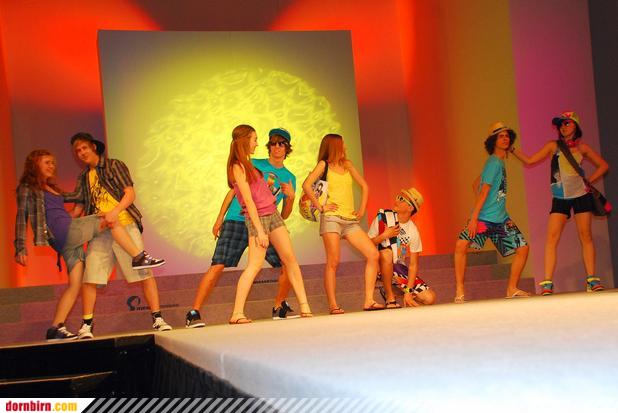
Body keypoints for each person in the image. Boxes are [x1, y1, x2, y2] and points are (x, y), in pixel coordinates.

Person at [13, 149, 163, 341]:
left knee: (75, 284)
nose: (52, 166)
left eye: (53, 163)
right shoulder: (27, 188)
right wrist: (20, 247)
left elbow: (76, 197)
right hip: (64, 232)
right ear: (34, 164)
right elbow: (21, 217)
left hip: (68, 240)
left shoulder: (52, 187)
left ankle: (55, 328)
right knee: (110, 218)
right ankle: (139, 256)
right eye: (47, 162)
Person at [185, 127, 300, 327]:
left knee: (288, 263)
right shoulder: (252, 163)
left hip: (264, 223)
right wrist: (219, 218)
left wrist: (291, 197)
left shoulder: (290, 177)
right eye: (273, 143)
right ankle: (194, 312)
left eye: (281, 143)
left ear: (287, 148)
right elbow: (233, 193)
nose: (277, 147)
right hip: (237, 219)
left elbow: (284, 213)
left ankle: (278, 305)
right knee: (218, 265)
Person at [64, 132, 170, 339]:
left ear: (94, 147)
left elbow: (129, 193)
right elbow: (78, 208)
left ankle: (158, 318)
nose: (81, 153)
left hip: (124, 223)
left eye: (84, 148)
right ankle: (87, 325)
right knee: (91, 276)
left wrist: (115, 211)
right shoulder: (83, 177)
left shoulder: (113, 165)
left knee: (144, 272)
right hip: (100, 230)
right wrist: (58, 222)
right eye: (77, 151)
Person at [510, 112, 609, 294]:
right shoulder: (553, 146)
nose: (563, 127)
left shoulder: (583, 148)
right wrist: (512, 149)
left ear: (575, 126)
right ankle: (547, 282)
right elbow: (530, 160)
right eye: (561, 124)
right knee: (552, 238)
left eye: (567, 123)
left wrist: (589, 182)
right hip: (560, 198)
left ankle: (592, 280)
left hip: (581, 196)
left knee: (586, 236)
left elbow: (604, 166)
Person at [226, 124, 312, 324]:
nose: (257, 143)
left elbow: (270, 200)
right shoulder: (238, 166)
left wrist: (290, 197)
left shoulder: (248, 164)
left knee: (290, 259)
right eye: (255, 139)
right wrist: (259, 230)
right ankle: (237, 313)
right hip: (258, 218)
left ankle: (305, 306)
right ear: (245, 140)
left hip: (273, 214)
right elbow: (248, 201)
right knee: (255, 265)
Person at [302, 133, 383, 314]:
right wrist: (321, 206)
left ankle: (369, 300)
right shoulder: (323, 165)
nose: (345, 146)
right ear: (334, 146)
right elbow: (306, 185)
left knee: (373, 254)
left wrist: (361, 209)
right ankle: (333, 305)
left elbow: (365, 186)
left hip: (350, 220)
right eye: (342, 143)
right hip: (331, 217)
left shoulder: (347, 165)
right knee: (333, 261)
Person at [454, 122, 530, 303]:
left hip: (500, 218)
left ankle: (512, 288)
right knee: (461, 246)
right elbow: (483, 191)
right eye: (500, 136)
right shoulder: (494, 162)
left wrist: (492, 205)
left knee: (523, 248)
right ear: (493, 141)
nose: (505, 138)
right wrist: (474, 218)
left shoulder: (497, 162)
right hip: (483, 219)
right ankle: (459, 290)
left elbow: (476, 184)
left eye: (507, 136)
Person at [368, 187, 436, 308]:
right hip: (380, 264)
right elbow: (367, 244)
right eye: (398, 197)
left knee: (430, 298)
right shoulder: (383, 217)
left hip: (398, 269)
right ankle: (390, 297)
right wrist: (384, 235)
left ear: (410, 208)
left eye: (401, 199)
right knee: (387, 253)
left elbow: (413, 265)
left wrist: (409, 291)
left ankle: (392, 290)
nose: (397, 200)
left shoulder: (413, 230)